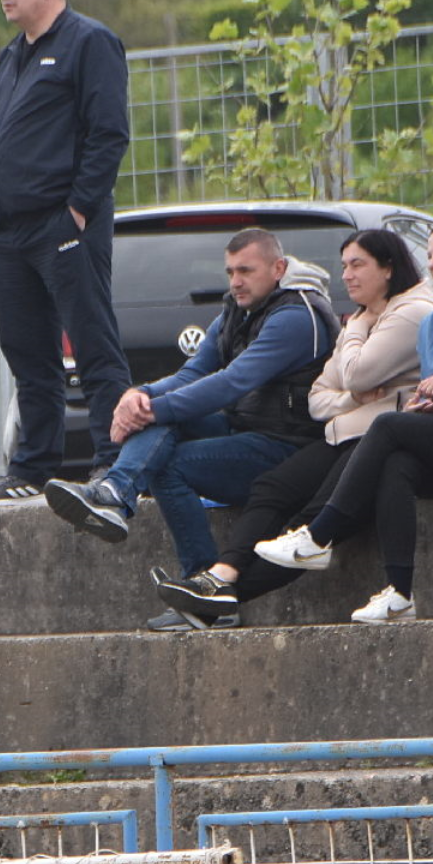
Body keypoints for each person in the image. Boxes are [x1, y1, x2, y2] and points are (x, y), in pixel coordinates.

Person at [255, 215, 433, 624]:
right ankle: (400, 593)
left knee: (388, 425)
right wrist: (432, 403)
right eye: (430, 256)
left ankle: (319, 534)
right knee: (396, 464)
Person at [42, 228, 338, 614]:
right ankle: (114, 492)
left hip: (287, 446)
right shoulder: (236, 310)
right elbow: (193, 373)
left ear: (278, 268)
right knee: (159, 420)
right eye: (230, 272)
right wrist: (140, 395)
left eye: (246, 271)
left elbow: (232, 383)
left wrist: (151, 408)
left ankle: (204, 587)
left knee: (169, 465)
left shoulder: (297, 317)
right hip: (245, 428)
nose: (235, 281)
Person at [155, 229, 433, 630]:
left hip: (380, 441)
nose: (347, 275)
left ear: (388, 268)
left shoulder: (407, 312)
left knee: (309, 527)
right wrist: (352, 398)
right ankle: (219, 576)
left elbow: (357, 373)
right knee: (272, 488)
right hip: (344, 433)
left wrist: (357, 334)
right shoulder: (363, 318)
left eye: (357, 265)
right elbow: (318, 398)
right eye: (344, 265)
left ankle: (218, 601)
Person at [0, 0, 132, 507]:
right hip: (3, 234)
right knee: (29, 358)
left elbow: (109, 133)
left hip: (61, 226)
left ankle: (113, 463)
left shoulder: (90, 42)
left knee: (92, 345)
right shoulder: (10, 54)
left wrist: (78, 210)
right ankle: (30, 469)